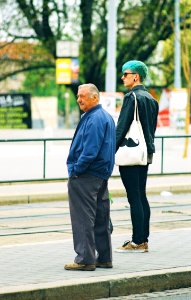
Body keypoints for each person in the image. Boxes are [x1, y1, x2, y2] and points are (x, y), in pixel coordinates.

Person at [64, 83, 116, 271]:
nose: (79, 99)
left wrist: (76, 169)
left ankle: (85, 259)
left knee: (83, 218)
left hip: (86, 175)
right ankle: (104, 257)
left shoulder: (93, 119)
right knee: (101, 216)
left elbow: (89, 151)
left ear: (95, 97)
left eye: (83, 96)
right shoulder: (106, 117)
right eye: (78, 96)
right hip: (101, 175)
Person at [115, 60, 159, 253]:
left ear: (136, 76)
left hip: (130, 153)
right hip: (145, 152)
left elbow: (121, 129)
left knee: (134, 197)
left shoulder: (131, 97)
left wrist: (109, 151)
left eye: (126, 73)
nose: (122, 77)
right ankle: (144, 239)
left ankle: (137, 241)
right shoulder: (151, 99)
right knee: (141, 195)